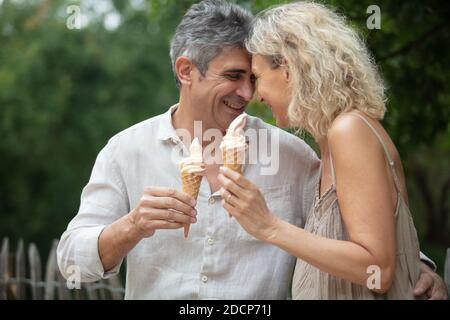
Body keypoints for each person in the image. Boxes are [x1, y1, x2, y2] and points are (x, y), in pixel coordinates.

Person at [57, 0, 446, 299]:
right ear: (186, 71)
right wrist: (131, 226)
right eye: (234, 77)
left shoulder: (294, 154)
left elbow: (357, 225)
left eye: (253, 77)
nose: (249, 94)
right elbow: (72, 263)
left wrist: (418, 268)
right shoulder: (126, 151)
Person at [218, 1, 448, 299]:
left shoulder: (349, 131)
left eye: (257, 77)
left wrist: (269, 227)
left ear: (287, 67)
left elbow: (378, 268)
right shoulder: (335, 139)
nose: (257, 96)